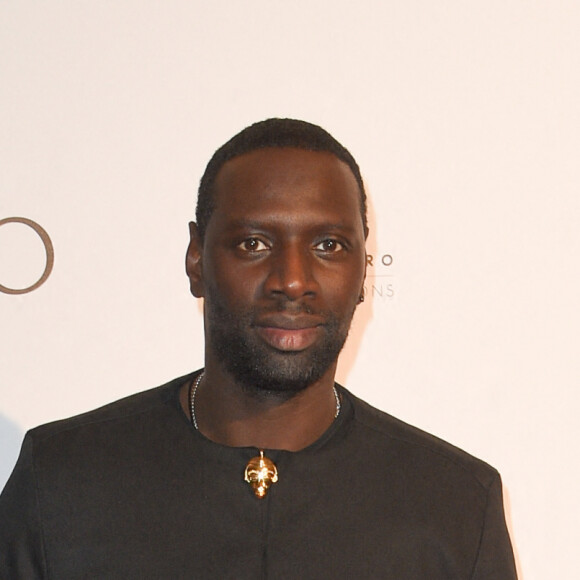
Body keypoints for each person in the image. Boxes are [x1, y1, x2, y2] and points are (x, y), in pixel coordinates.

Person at [0, 118, 517, 578]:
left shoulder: (455, 503)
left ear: (363, 270)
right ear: (196, 259)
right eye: (254, 244)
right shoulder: (62, 479)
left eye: (328, 245)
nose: (292, 281)